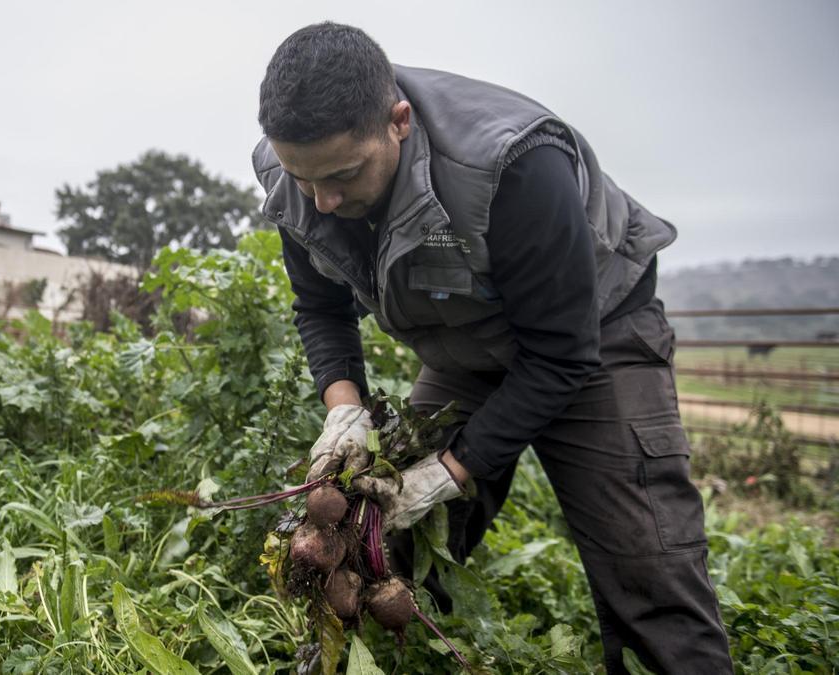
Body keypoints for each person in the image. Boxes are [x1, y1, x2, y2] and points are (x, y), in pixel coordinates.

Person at [252, 22, 733, 673]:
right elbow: (320, 305)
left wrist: (448, 471)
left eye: (342, 175)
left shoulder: (512, 164)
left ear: (398, 121)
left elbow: (561, 354)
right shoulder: (301, 178)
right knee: (385, 536)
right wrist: (343, 409)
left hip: (595, 337)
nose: (324, 201)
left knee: (645, 566)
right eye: (304, 179)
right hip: (464, 348)